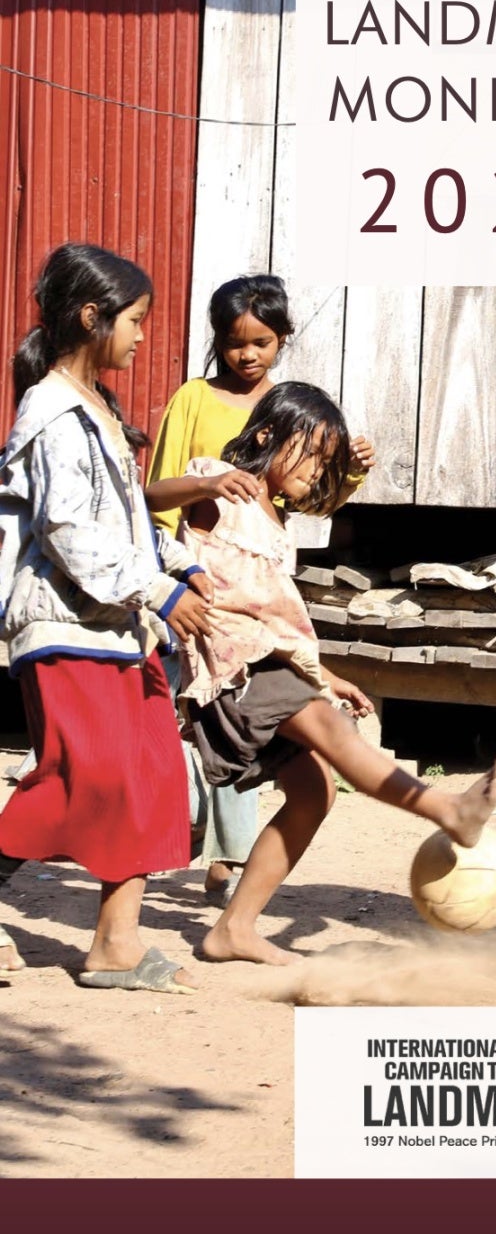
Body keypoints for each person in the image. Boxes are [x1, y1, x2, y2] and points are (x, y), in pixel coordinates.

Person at [148, 380, 496, 966]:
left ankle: (234, 929)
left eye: (326, 463)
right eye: (312, 454)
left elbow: (277, 617)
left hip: (269, 661)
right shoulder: (217, 486)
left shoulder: (274, 521)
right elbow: (150, 495)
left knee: (315, 791)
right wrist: (206, 481)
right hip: (232, 663)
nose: (317, 471)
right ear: (267, 436)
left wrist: (324, 676)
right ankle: (447, 809)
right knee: (339, 740)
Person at [0, 243, 213, 991]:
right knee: (76, 779)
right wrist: (155, 590)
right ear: (91, 318)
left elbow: (120, 524)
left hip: (118, 626)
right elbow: (67, 530)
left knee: (152, 775)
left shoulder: (103, 411)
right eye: (133, 320)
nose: (141, 336)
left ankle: (116, 945)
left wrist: (181, 565)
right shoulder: (52, 410)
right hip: (65, 624)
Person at [145, 274, 375, 906]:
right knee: (203, 723)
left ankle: (228, 868)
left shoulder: (293, 406)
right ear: (218, 341)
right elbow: (163, 488)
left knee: (250, 731)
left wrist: (349, 471)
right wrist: (165, 575)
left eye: (262, 343)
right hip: (189, 583)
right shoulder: (194, 398)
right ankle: (188, 850)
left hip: (255, 593)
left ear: (282, 342)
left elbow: (307, 503)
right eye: (235, 343)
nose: (248, 355)